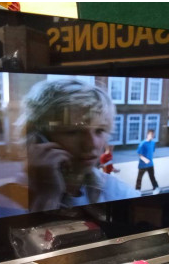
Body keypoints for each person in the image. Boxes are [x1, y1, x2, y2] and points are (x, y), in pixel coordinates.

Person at [19, 78, 140, 212]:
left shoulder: (116, 191)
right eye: (73, 131)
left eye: (99, 130)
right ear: (37, 138)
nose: (92, 144)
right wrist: (46, 197)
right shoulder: (6, 201)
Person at [135, 129, 160, 194]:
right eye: (151, 134)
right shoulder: (143, 143)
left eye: (153, 135)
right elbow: (139, 153)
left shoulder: (153, 143)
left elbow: (152, 151)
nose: (152, 136)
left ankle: (156, 188)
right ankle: (137, 191)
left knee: (152, 177)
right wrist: (145, 159)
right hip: (142, 165)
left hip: (150, 164)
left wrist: (149, 159)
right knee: (139, 178)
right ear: (147, 135)